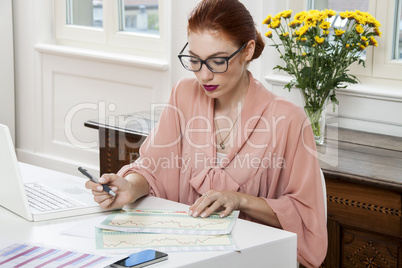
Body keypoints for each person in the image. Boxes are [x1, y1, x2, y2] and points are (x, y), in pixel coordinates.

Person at [85, 0, 327, 266]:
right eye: (195, 61)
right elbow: (153, 168)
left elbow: (304, 215)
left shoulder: (288, 119)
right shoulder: (183, 94)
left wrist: (240, 200)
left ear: (247, 50)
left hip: (250, 256)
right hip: (181, 254)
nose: (204, 75)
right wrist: (129, 187)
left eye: (217, 61)